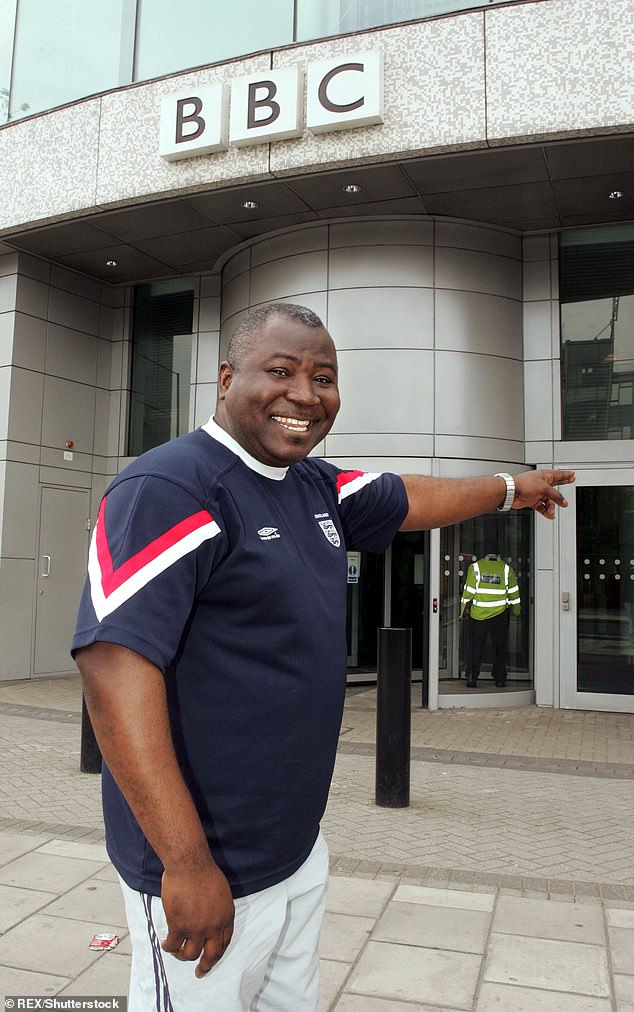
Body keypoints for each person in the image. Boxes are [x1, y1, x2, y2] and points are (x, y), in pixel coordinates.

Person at [72, 302, 573, 1012]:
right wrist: (185, 865)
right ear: (225, 378)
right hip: (206, 866)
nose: (305, 395)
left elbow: (409, 497)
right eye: (281, 371)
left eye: (324, 377)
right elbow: (112, 669)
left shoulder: (315, 487)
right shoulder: (171, 488)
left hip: (294, 853)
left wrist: (509, 490)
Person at [460, 546, 521, 687]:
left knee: (476, 647)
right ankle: (500, 678)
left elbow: (468, 592)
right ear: (499, 555)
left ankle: (472, 676)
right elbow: (514, 594)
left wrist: (463, 612)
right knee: (500, 648)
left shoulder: (475, 568)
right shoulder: (506, 569)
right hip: (500, 615)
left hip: (478, 615)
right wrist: (516, 611)